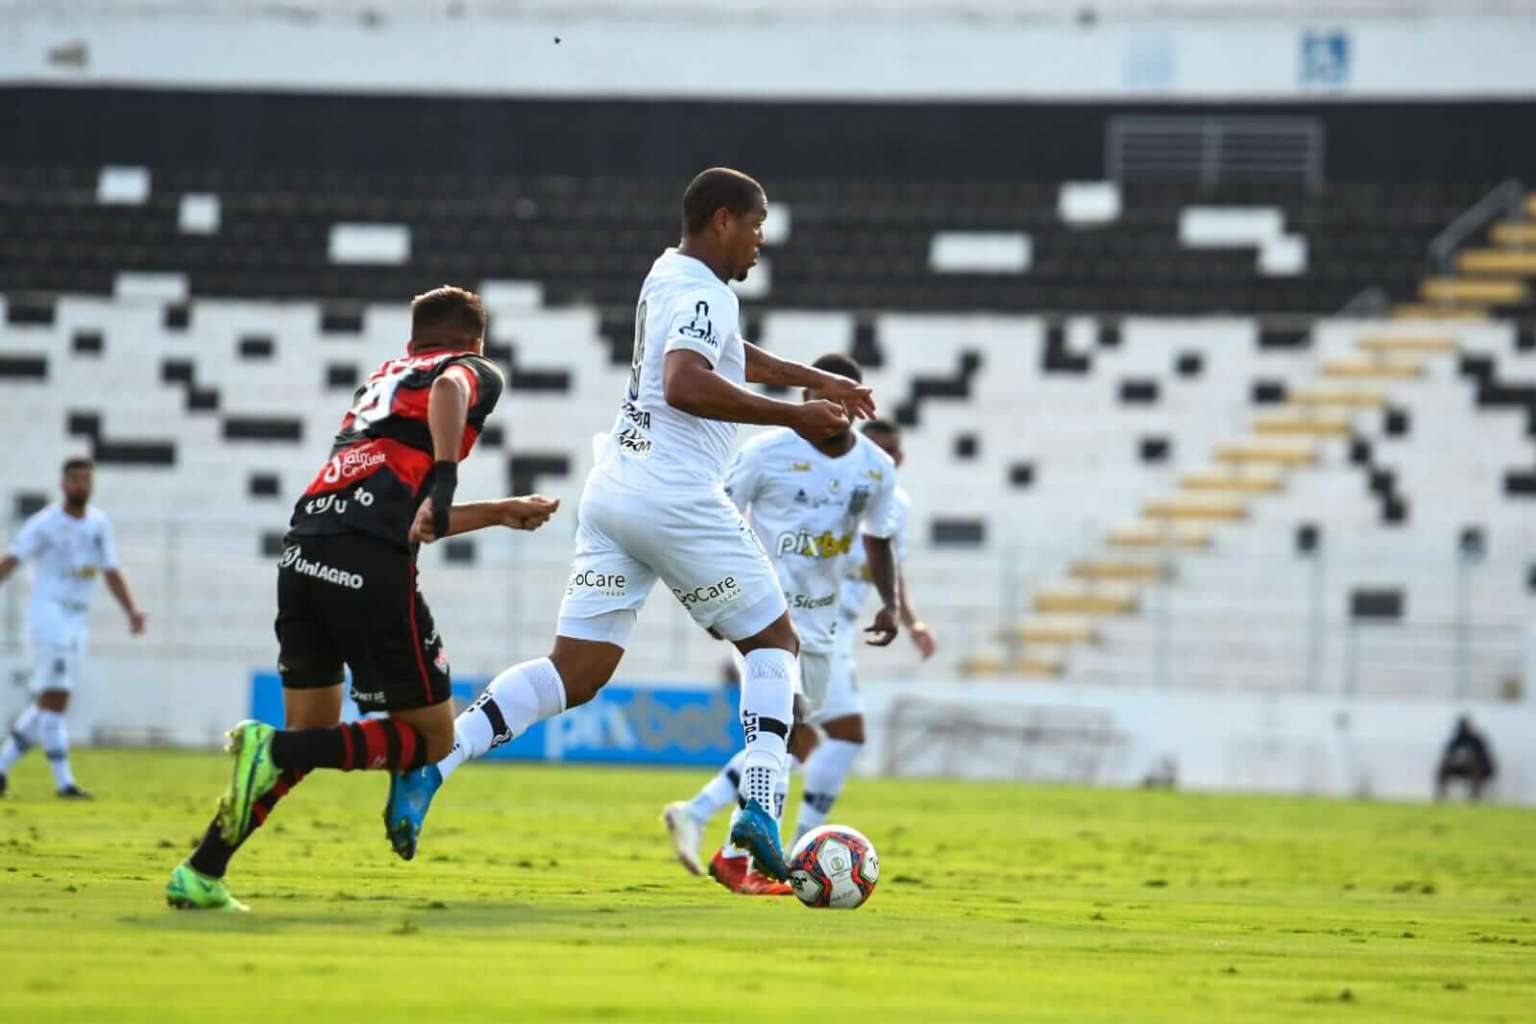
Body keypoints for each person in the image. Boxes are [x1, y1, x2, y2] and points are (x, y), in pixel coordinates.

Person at [383, 168, 877, 883]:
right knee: (774, 640)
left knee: (574, 672)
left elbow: (724, 355)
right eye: (756, 224)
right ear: (720, 221)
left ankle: (435, 766)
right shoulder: (704, 293)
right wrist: (796, 413)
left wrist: (815, 379)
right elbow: (685, 381)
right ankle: (758, 815)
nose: (762, 240)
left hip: (614, 489)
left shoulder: (670, 274)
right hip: (672, 494)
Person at [166, 285, 559, 911]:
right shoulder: (468, 371)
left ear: (411, 342)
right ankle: (274, 748)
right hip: (367, 564)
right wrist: (449, 479)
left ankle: (202, 869)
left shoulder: (381, 384)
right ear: (475, 342)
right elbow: (452, 392)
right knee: (431, 740)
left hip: (304, 549)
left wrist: (498, 512)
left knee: (315, 729)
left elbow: (412, 517)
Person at [661, 354, 901, 894]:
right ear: (805, 399)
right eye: (818, 396)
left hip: (821, 627)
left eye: (839, 397)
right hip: (760, 615)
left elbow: (879, 539)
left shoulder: (875, 468)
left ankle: (713, 831)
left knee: (795, 742)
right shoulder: (766, 454)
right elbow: (716, 517)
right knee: (788, 725)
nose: (829, 407)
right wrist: (712, 595)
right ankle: (741, 856)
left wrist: (889, 604)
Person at [0, 457, 146, 798]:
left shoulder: (98, 524)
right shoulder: (45, 523)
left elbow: (111, 570)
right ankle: (64, 783)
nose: (82, 485)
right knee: (57, 698)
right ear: (63, 484)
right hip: (48, 617)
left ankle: (4, 768)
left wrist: (131, 611)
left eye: (87, 479)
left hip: (77, 620)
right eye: (76, 480)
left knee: (52, 701)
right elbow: (12, 559)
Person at [1435, 715, 1496, 800]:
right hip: (1461, 767)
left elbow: (1484, 757)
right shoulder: (1457, 739)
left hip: (1481, 769)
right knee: (1443, 768)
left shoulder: (1476, 740)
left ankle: (1474, 797)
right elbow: (1448, 754)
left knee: (1475, 767)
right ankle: (1442, 796)